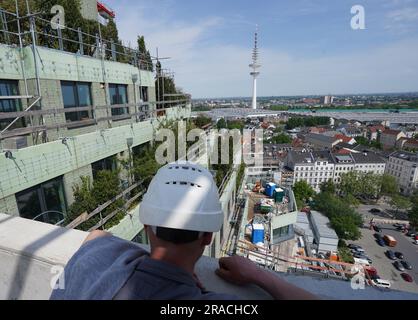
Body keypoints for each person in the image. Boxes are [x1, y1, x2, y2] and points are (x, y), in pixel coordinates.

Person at [50, 162, 317, 300]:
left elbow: (97, 235)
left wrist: (158, 266)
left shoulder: (95, 261)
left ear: (145, 225)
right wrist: (260, 275)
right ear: (209, 235)